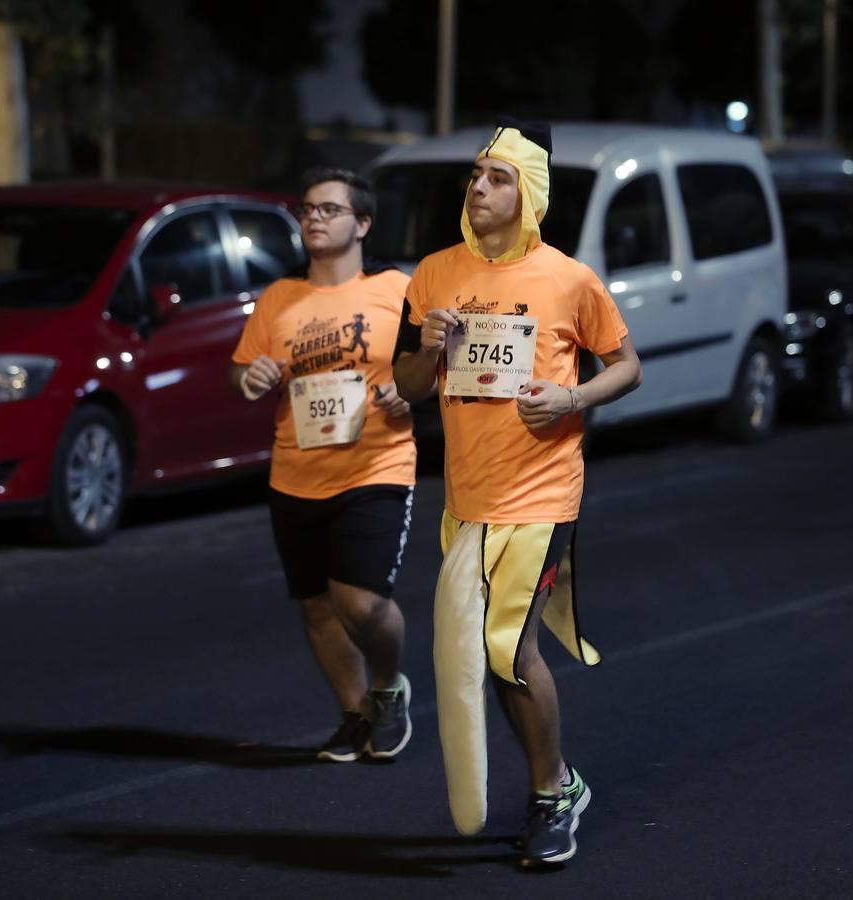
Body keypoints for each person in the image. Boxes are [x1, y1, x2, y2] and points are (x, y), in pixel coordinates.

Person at [392, 120, 642, 866]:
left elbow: (628, 367)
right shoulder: (433, 274)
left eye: (497, 178)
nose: (478, 188)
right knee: (485, 649)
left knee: (507, 644)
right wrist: (429, 350)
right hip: (466, 497)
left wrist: (571, 401)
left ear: (529, 194)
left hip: (543, 491)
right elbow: (405, 387)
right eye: (475, 175)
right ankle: (550, 782)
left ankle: (554, 792)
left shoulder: (569, 279)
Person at [230, 168, 416, 762]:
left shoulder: (397, 290)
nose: (314, 218)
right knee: (316, 604)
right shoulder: (279, 299)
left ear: (362, 223)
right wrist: (250, 376)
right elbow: (242, 373)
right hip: (295, 473)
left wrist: (406, 392)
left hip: (377, 465)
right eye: (308, 209)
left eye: (330, 210)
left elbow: (439, 367)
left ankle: (388, 687)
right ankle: (354, 714)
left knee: (358, 600)